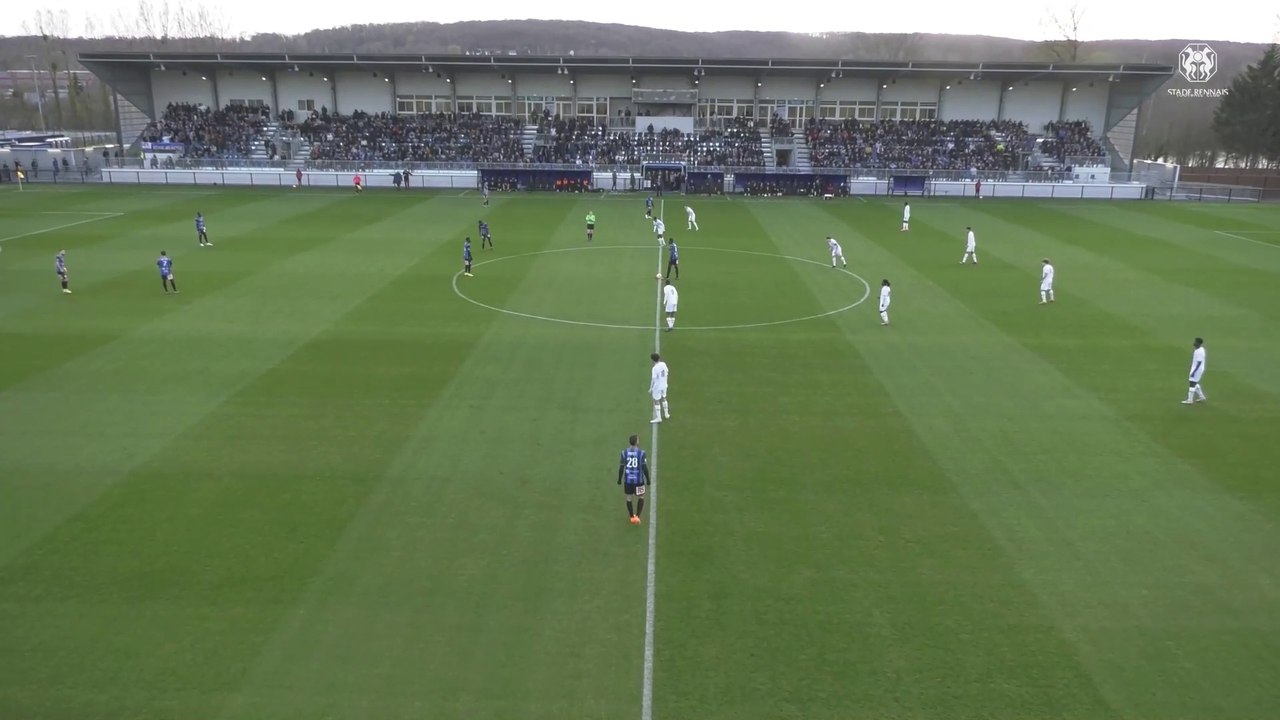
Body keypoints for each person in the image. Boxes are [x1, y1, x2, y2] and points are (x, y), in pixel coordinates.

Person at [617, 434, 652, 524]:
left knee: (629, 498)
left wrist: (619, 479)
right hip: (639, 481)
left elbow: (621, 468)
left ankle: (632, 516)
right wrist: (648, 479)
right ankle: (638, 516)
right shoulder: (641, 453)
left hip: (628, 481)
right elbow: (644, 468)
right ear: (637, 442)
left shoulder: (624, 453)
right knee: (641, 496)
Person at [1183, 338, 1207, 405]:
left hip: (1197, 369)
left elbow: (1199, 362)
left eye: (1195, 342)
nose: (1194, 342)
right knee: (1194, 383)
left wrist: (1194, 371)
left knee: (1192, 383)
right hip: (1196, 368)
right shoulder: (1200, 349)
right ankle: (1202, 397)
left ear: (1198, 343)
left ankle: (1190, 400)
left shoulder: (1199, 351)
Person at [650, 352, 670, 423]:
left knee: (656, 400)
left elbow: (653, 379)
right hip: (664, 385)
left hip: (657, 386)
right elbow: (667, 372)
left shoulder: (654, 368)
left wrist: (650, 388)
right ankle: (666, 414)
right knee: (664, 398)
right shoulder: (664, 364)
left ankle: (659, 418)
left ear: (652, 360)